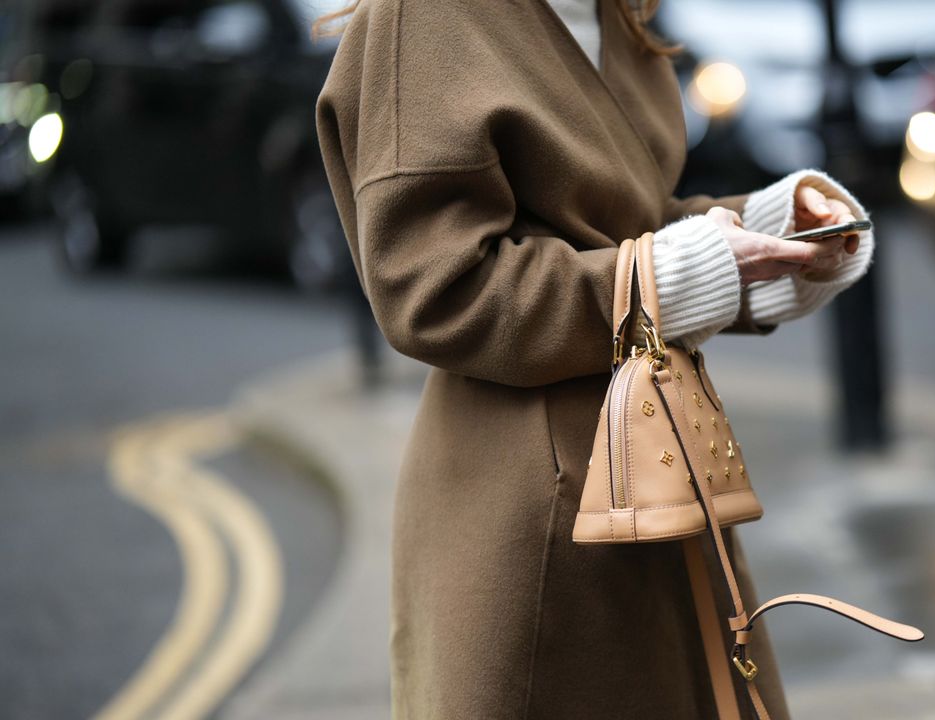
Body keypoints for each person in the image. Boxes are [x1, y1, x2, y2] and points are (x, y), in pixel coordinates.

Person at [314, 0, 874, 717]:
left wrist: (768, 232)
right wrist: (673, 276)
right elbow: (434, 287)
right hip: (533, 511)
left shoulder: (614, 9)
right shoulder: (426, 16)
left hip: (655, 463)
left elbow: (615, 218)